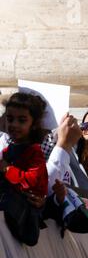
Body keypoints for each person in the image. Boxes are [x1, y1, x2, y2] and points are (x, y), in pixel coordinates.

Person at [0, 93, 49, 245]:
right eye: (10, 119)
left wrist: (7, 170)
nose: (14, 124)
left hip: (24, 211)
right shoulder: (9, 149)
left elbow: (31, 182)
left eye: (22, 120)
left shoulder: (34, 151)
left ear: (33, 124)